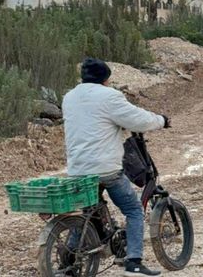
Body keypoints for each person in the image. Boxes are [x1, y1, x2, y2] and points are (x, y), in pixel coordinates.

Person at [62, 58, 170, 277]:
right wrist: (161, 120)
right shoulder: (109, 96)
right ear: (106, 79)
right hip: (105, 169)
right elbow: (137, 119)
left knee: (88, 210)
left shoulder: (69, 97)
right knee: (133, 210)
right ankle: (134, 263)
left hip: (77, 169)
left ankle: (70, 259)